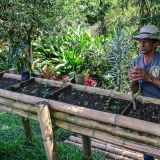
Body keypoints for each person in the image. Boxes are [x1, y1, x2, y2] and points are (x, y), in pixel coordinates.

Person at [128, 25, 160, 160]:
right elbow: (135, 90)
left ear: (155, 43)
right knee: (147, 148)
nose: (141, 44)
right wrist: (133, 81)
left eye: (146, 40)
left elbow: (149, 78)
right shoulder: (136, 61)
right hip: (146, 108)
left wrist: (149, 78)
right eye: (140, 41)